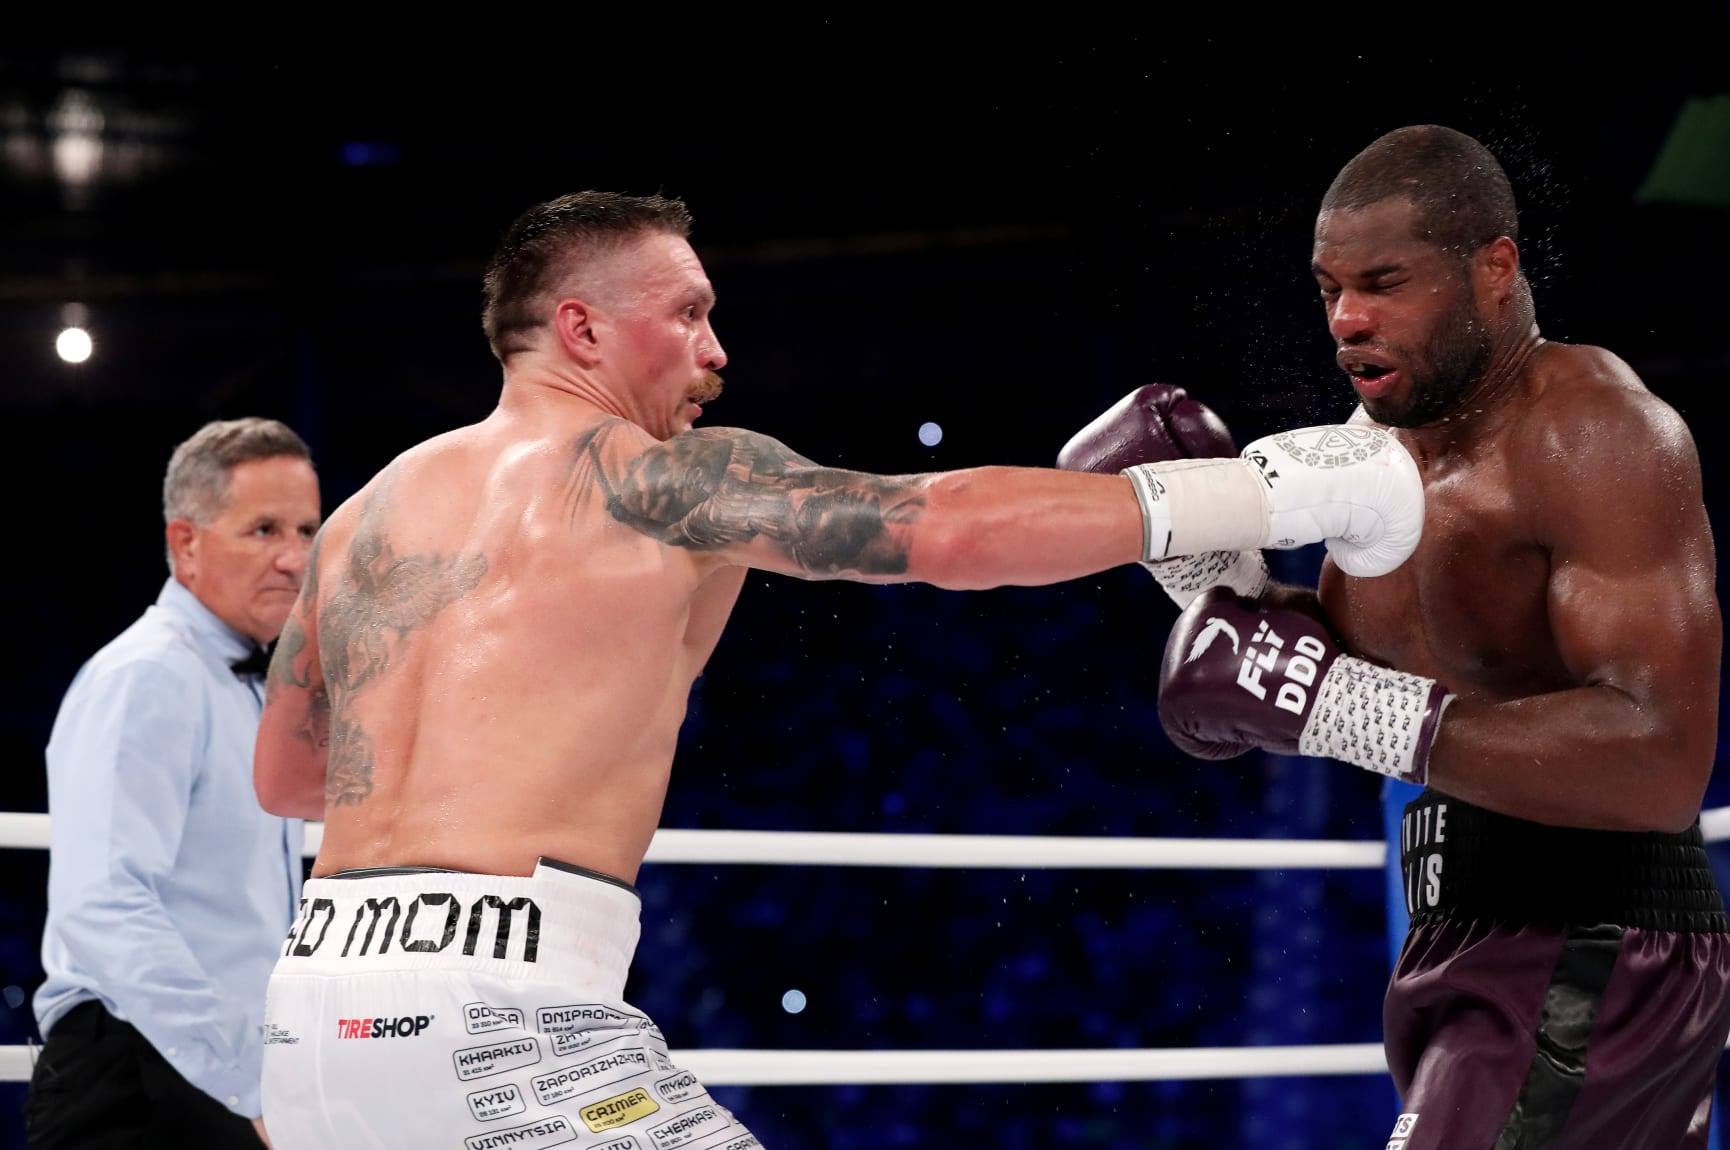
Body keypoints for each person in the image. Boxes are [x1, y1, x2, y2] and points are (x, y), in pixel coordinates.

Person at [249, 189, 1426, 1148]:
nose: (717, 350)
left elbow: (290, 777)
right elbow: (945, 529)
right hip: (504, 1019)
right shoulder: (656, 478)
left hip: (311, 1028)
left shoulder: (361, 518)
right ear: (582, 328)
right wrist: (1262, 495)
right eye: (688, 312)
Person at [1066, 125, 1730, 1148]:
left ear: (1495, 269)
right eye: (1330, 287)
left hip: (1594, 941)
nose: (1347, 319)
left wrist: (1332, 704)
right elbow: (1341, 674)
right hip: (1458, 932)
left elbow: (1661, 761)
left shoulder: (1592, 432)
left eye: (1385, 283)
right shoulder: (1368, 454)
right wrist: (1215, 582)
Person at [28, 418, 319, 1149]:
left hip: (211, 1068)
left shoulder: (248, 683)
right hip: (143, 1071)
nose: (295, 558)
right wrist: (243, 1075)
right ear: (185, 544)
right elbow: (104, 905)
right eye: (263, 530)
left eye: (307, 530)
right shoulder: (149, 676)